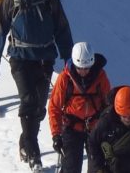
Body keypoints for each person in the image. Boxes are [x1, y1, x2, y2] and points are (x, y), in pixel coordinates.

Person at [0, 0, 74, 170]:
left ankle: (25, 142)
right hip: (20, 58)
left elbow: (62, 28)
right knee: (27, 101)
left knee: (38, 107)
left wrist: (68, 57)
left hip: (45, 59)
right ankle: (33, 153)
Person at [49, 41, 112, 173]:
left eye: (87, 68)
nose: (83, 71)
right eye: (79, 68)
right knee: (70, 167)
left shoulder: (101, 77)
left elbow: (109, 105)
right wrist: (56, 135)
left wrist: (108, 128)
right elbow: (54, 107)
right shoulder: (65, 78)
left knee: (97, 167)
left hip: (95, 128)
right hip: (72, 127)